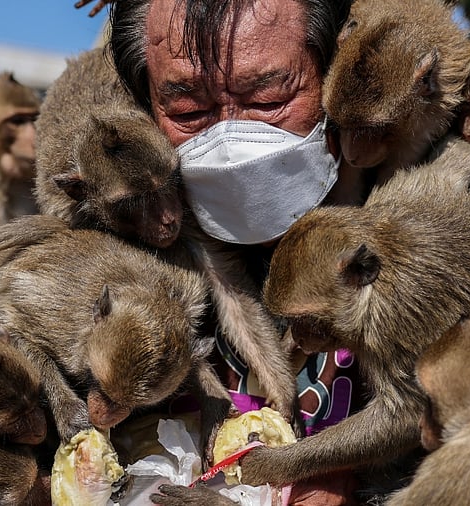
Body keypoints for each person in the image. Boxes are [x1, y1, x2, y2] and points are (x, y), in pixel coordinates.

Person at [109, 0, 365, 504]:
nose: (231, 143)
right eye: (188, 112)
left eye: (269, 101)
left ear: (336, 78)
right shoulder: (117, 244)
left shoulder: (437, 231)